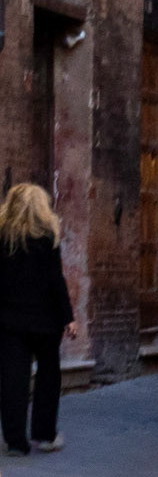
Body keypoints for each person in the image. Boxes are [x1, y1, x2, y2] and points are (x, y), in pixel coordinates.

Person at [0, 183, 76, 455]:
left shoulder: (3, 238)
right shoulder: (47, 238)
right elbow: (56, 280)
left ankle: (15, 441)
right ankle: (45, 435)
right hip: (46, 320)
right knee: (48, 376)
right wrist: (68, 317)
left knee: (12, 379)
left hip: (10, 320)